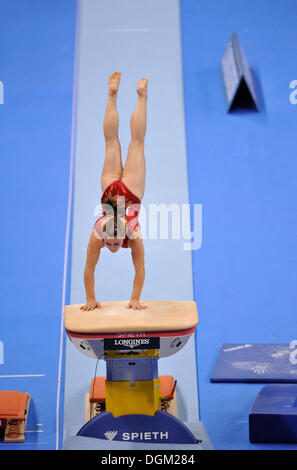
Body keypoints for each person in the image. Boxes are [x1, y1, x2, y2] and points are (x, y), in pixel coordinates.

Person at [80, 72, 148, 311]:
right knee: (131, 142)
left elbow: (137, 269)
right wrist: (91, 299)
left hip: (123, 190)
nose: (111, 248)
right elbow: (90, 270)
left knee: (122, 142)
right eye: (112, 245)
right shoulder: (120, 233)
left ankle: (120, 94)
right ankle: (130, 95)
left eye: (113, 244)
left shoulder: (122, 233)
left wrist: (135, 299)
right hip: (115, 190)